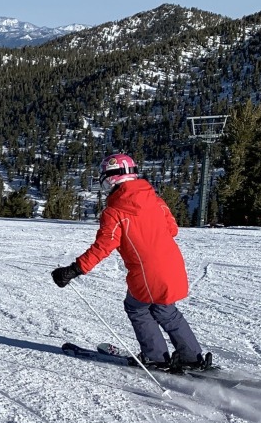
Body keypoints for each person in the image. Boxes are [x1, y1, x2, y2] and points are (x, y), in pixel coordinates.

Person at [51, 153, 211, 371]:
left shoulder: (115, 211)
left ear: (111, 179)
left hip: (147, 273)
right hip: (173, 266)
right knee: (165, 310)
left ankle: (156, 357)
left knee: (136, 307)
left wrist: (74, 270)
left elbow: (103, 247)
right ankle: (192, 357)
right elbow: (172, 229)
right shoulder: (156, 201)